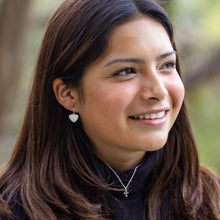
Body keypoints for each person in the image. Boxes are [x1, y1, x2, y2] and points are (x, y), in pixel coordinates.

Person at [0, 0, 220, 219]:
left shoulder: (210, 201)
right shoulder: (12, 210)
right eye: (126, 71)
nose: (159, 91)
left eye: (167, 65)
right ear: (68, 93)